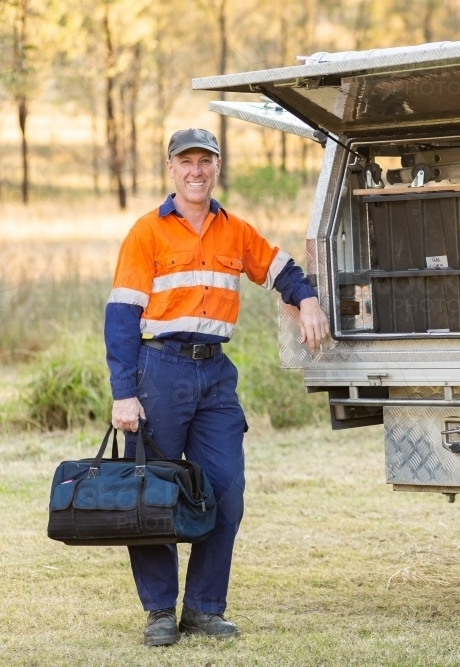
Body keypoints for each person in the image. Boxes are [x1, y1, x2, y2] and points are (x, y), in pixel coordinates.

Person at [104, 128, 328, 646]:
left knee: (225, 491)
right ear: (171, 169)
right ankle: (160, 611)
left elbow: (281, 269)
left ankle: (204, 608)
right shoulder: (146, 233)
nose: (196, 171)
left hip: (215, 376)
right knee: (152, 493)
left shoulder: (235, 231)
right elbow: (120, 316)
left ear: (217, 166)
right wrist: (123, 392)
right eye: (186, 162)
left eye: (205, 161)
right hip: (157, 371)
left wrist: (308, 300)